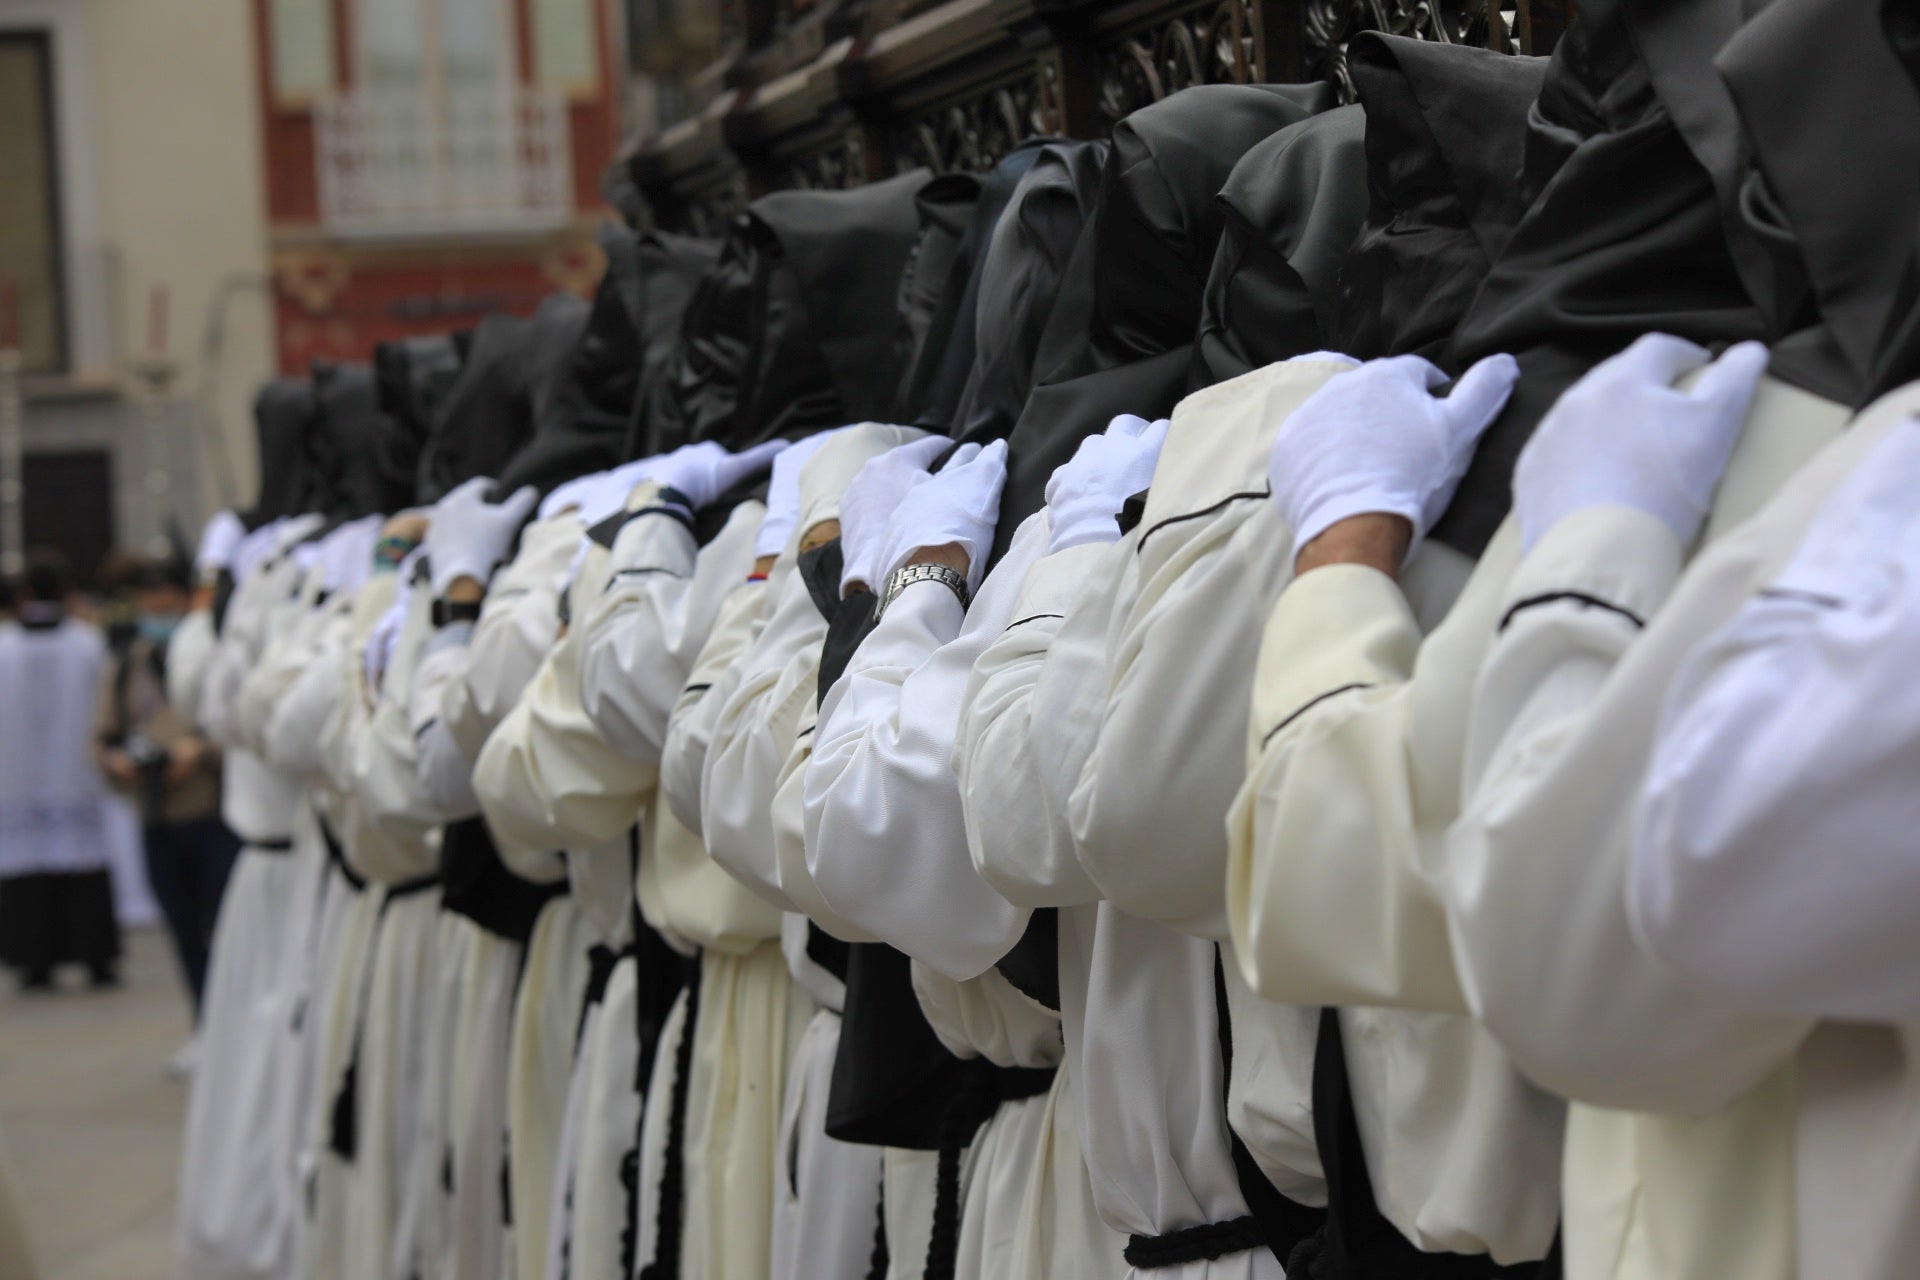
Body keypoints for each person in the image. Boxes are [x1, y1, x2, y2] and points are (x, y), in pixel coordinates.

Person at [95, 555, 239, 1021]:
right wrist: (118, 761)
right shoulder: (125, 666)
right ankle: (202, 1023)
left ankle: (229, 1025)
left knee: (226, 928)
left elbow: (238, 728)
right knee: (181, 927)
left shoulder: (211, 653)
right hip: (156, 813)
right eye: (147, 597)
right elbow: (101, 735)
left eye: (164, 597)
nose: (155, 606)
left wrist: (198, 751)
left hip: (210, 811)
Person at [0, 550, 120, 992]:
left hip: (16, 777)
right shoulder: (89, 643)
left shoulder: (4, 647)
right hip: (74, 773)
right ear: (69, 592)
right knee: (81, 864)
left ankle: (34, 963)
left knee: (27, 869)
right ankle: (95, 959)